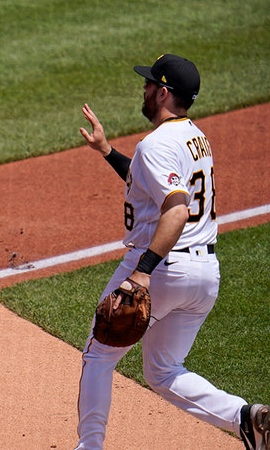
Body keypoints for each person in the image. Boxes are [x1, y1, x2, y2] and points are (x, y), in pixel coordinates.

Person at [74, 53, 268, 449]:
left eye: (148, 84)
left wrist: (142, 271)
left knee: (99, 355)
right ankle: (245, 418)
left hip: (163, 267)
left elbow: (175, 209)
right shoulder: (195, 137)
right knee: (162, 370)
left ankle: (89, 446)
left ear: (163, 92)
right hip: (204, 275)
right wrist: (108, 150)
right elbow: (152, 181)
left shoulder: (154, 144)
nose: (143, 89)